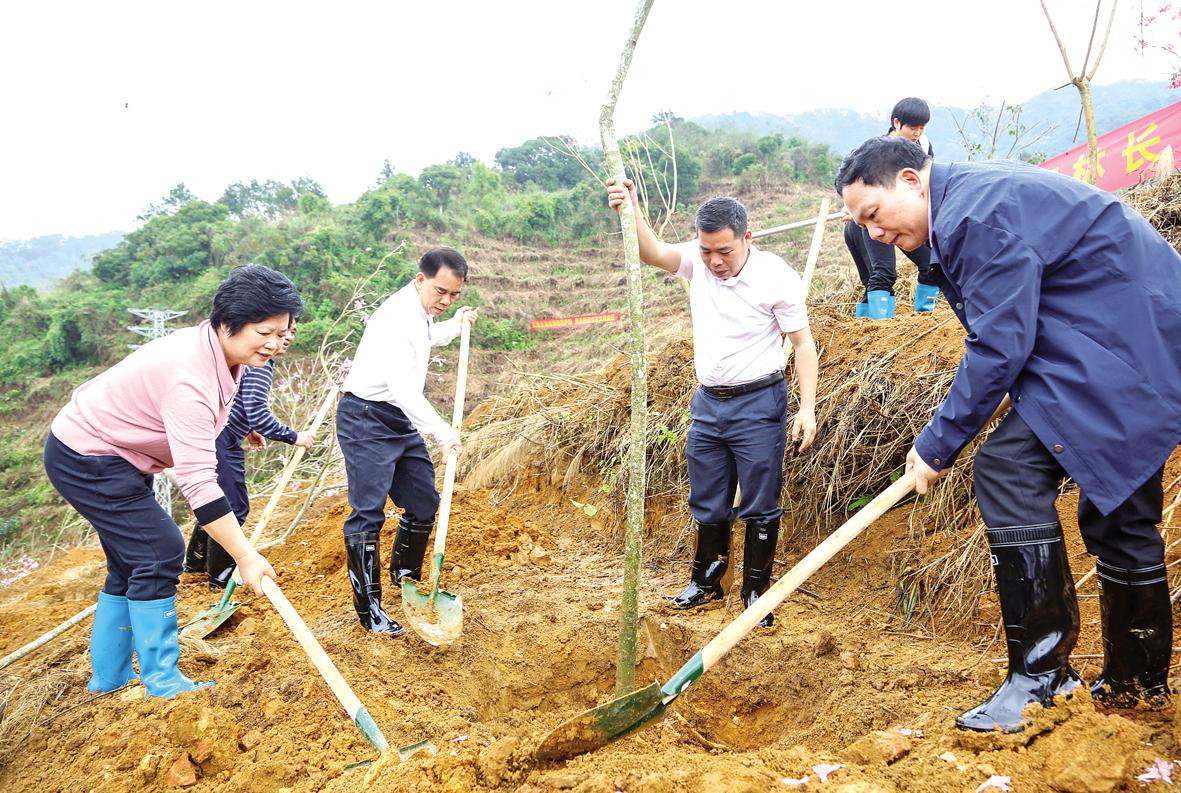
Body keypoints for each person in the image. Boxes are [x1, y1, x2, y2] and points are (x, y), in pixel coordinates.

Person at [835, 135, 1181, 732]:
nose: (874, 235)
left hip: (1127, 341)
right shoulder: (963, 207)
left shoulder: (975, 216)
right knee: (1117, 510)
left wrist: (936, 444)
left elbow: (999, 345)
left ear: (913, 182)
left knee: (1008, 468)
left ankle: (1042, 678)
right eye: (861, 223)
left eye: (874, 215)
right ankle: (1139, 686)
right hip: (1124, 337)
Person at [44, 264, 301, 698]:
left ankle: (108, 679)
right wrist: (245, 556)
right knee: (160, 551)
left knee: (131, 561)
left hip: (115, 452)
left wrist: (236, 426)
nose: (276, 344)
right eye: (265, 332)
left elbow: (207, 416)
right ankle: (162, 680)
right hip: (89, 455)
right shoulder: (190, 378)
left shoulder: (218, 351)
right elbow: (199, 484)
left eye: (283, 332)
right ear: (227, 323)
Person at [607, 178, 818, 627]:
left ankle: (755, 593)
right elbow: (652, 252)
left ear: (748, 237)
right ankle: (707, 583)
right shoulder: (697, 262)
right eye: (706, 251)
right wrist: (633, 208)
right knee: (707, 497)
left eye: (724, 251)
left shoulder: (775, 276)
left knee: (761, 502)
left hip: (759, 402)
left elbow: (802, 345)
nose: (714, 261)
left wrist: (807, 407)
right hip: (708, 403)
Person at [336, 246, 478, 638]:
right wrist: (444, 433)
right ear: (420, 280)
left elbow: (428, 336)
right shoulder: (396, 320)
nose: (446, 301)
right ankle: (371, 611)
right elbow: (402, 389)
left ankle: (405, 575)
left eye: (455, 295)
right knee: (368, 512)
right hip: (366, 418)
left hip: (397, 419)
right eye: (440, 292)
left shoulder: (420, 312)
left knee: (422, 501)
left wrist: (456, 324)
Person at [183, 317, 315, 588]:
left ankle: (195, 564)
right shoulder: (261, 365)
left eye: (290, 333)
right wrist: (293, 437)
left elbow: (241, 402)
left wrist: (248, 429)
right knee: (234, 507)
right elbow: (257, 412)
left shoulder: (253, 361)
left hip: (223, 432)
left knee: (224, 501)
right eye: (281, 332)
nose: (286, 338)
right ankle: (219, 577)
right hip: (222, 436)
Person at [842, 97, 941, 319]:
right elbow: (853, 183)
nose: (917, 133)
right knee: (882, 273)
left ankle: (925, 319)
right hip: (871, 220)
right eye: (912, 127)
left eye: (922, 127)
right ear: (897, 123)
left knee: (931, 264)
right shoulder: (876, 152)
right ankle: (876, 331)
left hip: (903, 218)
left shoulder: (923, 146)